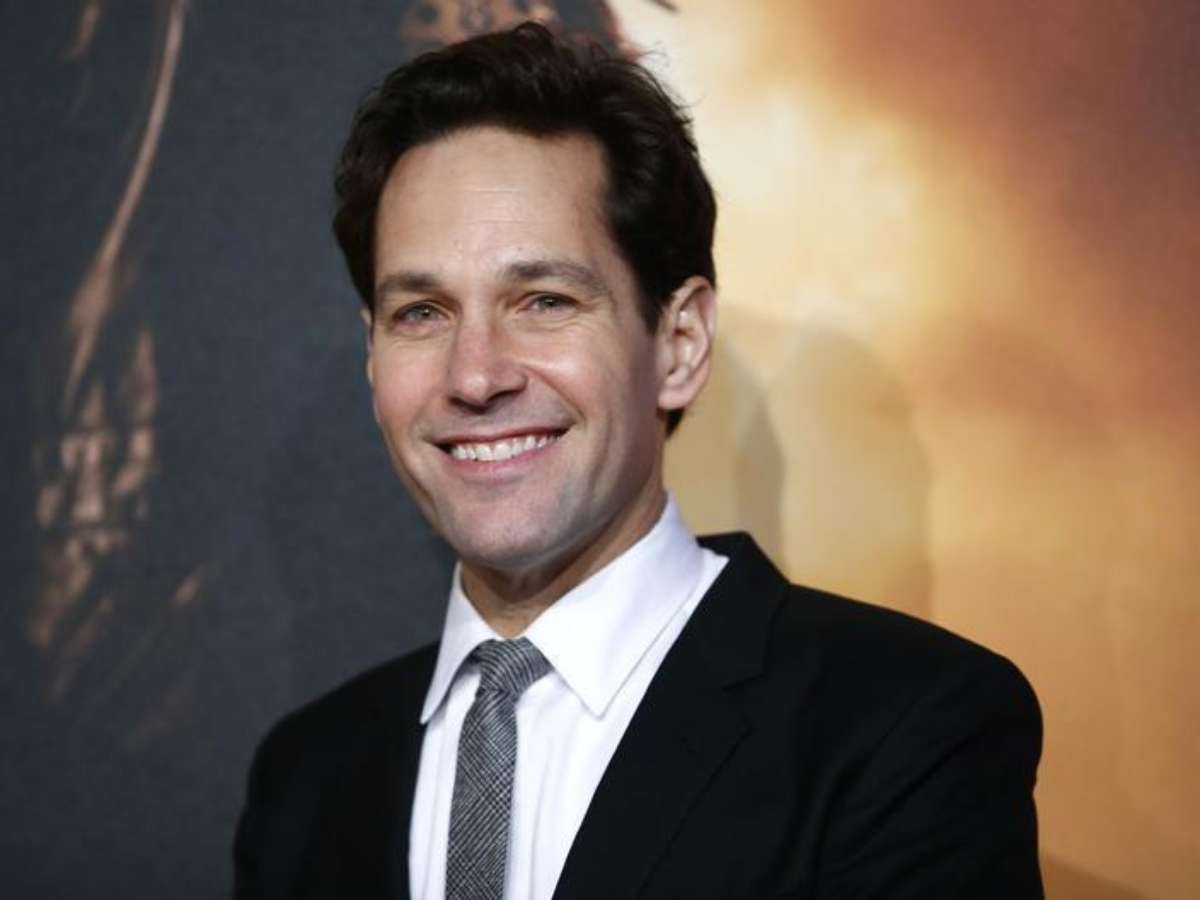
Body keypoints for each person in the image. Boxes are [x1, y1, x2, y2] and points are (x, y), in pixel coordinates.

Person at [233, 22, 1042, 899]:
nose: (474, 376)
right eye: (421, 313)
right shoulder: (306, 778)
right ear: (373, 353)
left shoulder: (905, 728)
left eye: (544, 301)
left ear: (679, 343)